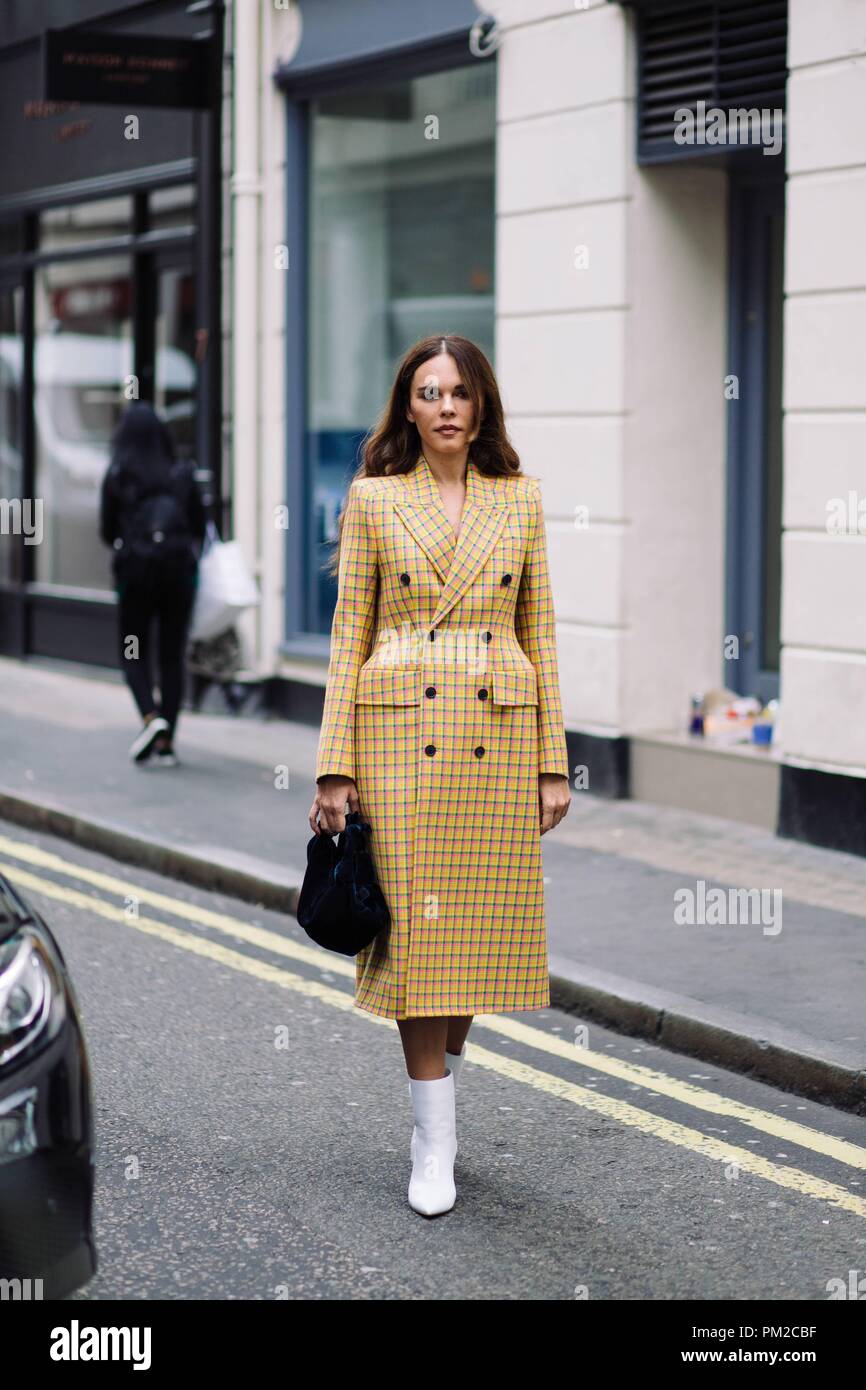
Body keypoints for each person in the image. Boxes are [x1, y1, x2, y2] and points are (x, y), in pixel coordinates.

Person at [308, 334, 571, 1217]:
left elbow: (543, 635)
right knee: (423, 950)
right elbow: (348, 639)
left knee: (473, 949)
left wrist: (553, 764)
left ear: (482, 404)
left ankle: (439, 1084)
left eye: (460, 391)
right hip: (400, 743)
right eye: (429, 392)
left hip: (499, 737)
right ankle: (435, 1141)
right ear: (408, 409)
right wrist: (333, 767)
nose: (447, 407)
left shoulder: (521, 502)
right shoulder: (376, 500)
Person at [99, 401, 206, 767]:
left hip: (136, 573)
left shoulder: (117, 475)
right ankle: (166, 743)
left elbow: (106, 531)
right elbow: (198, 526)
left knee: (132, 651)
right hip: (178, 574)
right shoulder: (181, 472)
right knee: (171, 656)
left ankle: (150, 718)